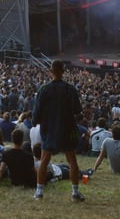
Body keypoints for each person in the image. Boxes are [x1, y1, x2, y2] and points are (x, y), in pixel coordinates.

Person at [31, 59, 85, 201]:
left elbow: (37, 109)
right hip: (67, 128)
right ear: (63, 71)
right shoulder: (70, 89)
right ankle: (75, 193)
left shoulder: (44, 89)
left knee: (44, 160)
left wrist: (34, 121)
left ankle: (39, 192)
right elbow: (77, 110)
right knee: (72, 161)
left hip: (49, 128)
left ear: (51, 71)